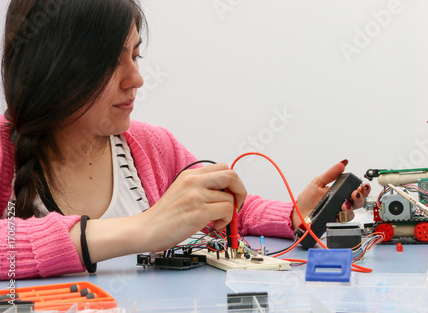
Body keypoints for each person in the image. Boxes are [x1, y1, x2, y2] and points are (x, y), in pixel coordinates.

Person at [0, 0, 370, 280]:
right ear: (53, 67)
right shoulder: (6, 149)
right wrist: (143, 229)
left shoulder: (151, 146)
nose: (137, 79)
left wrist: (293, 214)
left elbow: (220, 208)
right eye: (113, 62)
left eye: (136, 55)